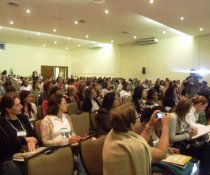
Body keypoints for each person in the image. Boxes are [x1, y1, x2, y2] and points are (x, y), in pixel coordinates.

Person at [103, 103, 169, 175]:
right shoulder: (135, 148)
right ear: (131, 124)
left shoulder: (114, 133)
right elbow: (162, 153)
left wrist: (150, 123)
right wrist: (166, 125)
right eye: (138, 116)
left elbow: (140, 141)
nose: (140, 118)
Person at [40, 93, 86, 175]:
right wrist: (67, 141)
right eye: (64, 103)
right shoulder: (47, 121)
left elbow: (72, 133)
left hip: (71, 147)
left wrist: (76, 138)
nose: (67, 105)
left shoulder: (67, 117)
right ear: (58, 105)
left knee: (85, 152)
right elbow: (46, 142)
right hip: (57, 150)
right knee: (81, 159)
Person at [169, 98, 210, 175]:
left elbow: (187, 127)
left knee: (206, 147)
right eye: (188, 110)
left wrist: (191, 131)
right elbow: (171, 138)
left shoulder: (181, 116)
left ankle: (205, 172)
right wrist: (188, 134)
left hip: (183, 142)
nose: (189, 112)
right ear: (184, 109)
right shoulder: (173, 117)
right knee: (205, 152)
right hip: (176, 146)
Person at [0, 95, 37, 175]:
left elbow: (34, 137)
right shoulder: (2, 124)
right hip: (10, 158)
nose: (22, 106)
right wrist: (25, 140)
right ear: (8, 109)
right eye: (17, 105)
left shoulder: (23, 118)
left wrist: (32, 141)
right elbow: (4, 147)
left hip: (29, 153)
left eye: (20, 103)